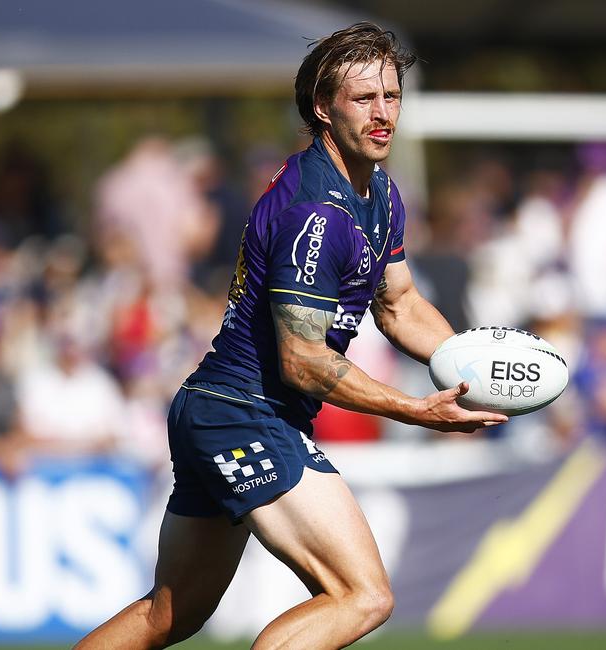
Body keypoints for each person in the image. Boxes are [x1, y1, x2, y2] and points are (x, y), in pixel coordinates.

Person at [74, 22, 507, 649]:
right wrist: (414, 409)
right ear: (322, 108)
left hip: (223, 409)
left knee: (169, 615)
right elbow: (302, 361)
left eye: (392, 96)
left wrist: (469, 368)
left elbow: (401, 302)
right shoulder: (316, 213)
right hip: (245, 413)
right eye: (364, 100)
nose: (384, 114)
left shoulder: (377, 189)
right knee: (360, 595)